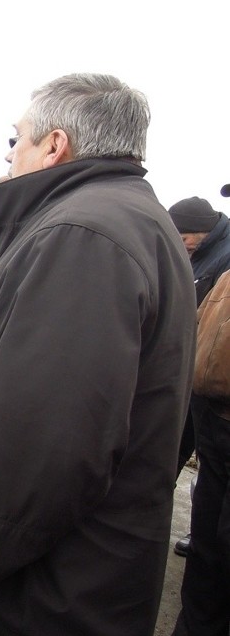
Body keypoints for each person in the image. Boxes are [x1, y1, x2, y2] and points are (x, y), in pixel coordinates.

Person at [0, 73, 197, 636]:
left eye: (17, 139)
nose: (10, 154)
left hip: (42, 592)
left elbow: (39, 456)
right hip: (67, 577)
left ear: (55, 145)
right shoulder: (119, 219)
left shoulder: (84, 235)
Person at [167, 196, 230, 558]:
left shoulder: (223, 257)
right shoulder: (202, 254)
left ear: (199, 232)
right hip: (194, 372)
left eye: (184, 237)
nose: (182, 244)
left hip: (210, 380)